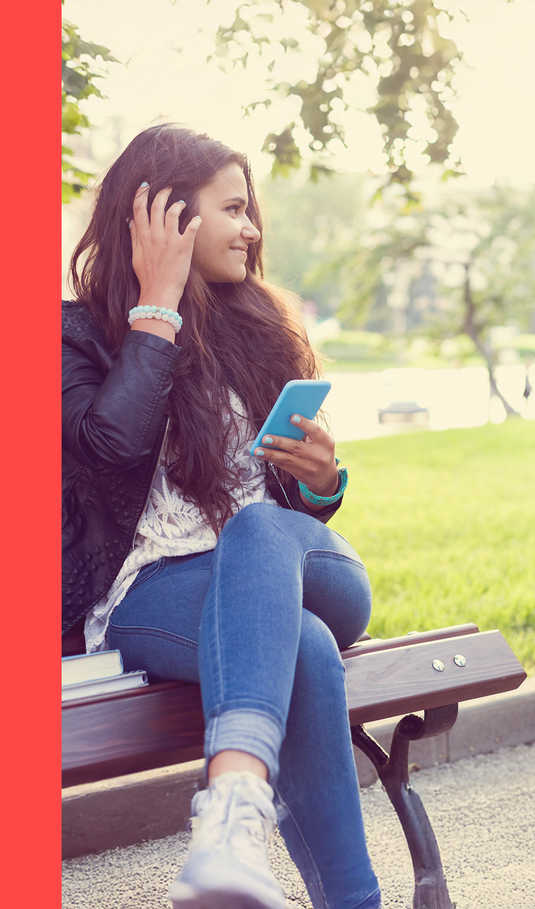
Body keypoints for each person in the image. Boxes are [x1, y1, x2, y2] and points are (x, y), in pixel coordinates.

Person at [62, 124, 383, 908]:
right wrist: (156, 308)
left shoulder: (262, 326)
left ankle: (230, 810)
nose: (252, 229)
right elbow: (108, 451)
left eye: (252, 212)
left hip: (298, 564)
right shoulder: (75, 333)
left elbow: (284, 507)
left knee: (258, 531)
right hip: (150, 596)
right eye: (232, 209)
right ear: (166, 216)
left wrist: (319, 481)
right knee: (301, 648)